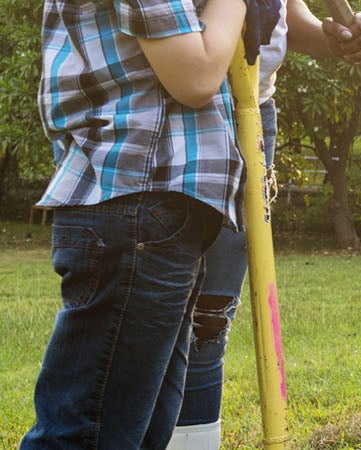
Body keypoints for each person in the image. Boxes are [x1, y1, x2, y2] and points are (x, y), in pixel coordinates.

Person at [22, 0, 260, 447]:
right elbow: (196, 76)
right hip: (139, 204)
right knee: (87, 434)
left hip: (153, 213)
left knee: (135, 432)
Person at [163, 1, 361, 448]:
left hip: (251, 111)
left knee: (208, 322)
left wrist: (340, 38)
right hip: (164, 111)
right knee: (147, 319)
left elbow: (285, 18)